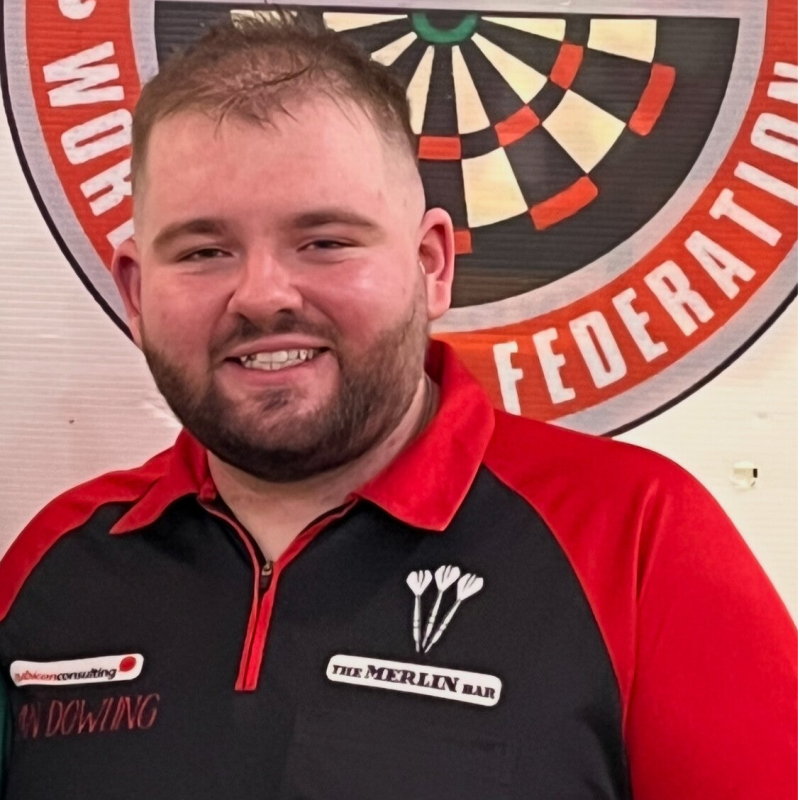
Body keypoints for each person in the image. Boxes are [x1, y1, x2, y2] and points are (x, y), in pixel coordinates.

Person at [0, 12, 796, 800]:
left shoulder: (636, 542)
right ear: (136, 293)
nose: (263, 295)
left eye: (325, 242)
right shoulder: (49, 567)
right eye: (205, 251)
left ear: (431, 265)